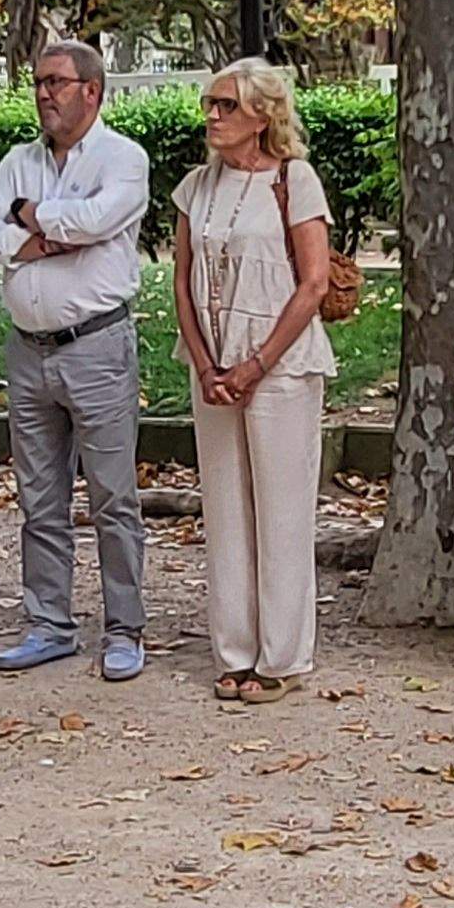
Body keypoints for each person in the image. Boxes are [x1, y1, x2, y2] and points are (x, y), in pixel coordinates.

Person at [0, 40, 154, 682]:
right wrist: (45, 238)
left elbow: (98, 220)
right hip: (28, 351)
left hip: (96, 347)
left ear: (92, 91)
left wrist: (29, 219)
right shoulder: (18, 160)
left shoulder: (123, 158)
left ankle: (124, 628)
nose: (44, 93)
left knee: (112, 497)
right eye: (38, 83)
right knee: (38, 497)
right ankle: (49, 623)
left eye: (56, 82)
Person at [175, 58, 337, 701]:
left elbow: (314, 283)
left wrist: (256, 363)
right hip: (214, 363)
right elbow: (182, 280)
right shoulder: (195, 187)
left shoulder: (295, 181)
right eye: (210, 105)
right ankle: (234, 649)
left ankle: (283, 657)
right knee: (224, 509)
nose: (214, 116)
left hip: (281, 363)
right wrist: (205, 363)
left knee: (282, 511)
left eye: (228, 106)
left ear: (263, 115)